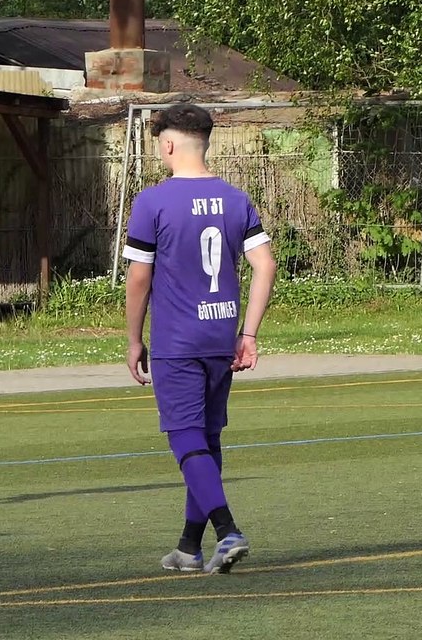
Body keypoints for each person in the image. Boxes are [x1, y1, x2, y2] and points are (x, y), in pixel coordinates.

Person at [122, 103, 277, 574]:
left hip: (178, 340)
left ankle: (228, 530)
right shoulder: (235, 198)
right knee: (206, 439)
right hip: (221, 333)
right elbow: (266, 265)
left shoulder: (152, 202)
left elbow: (139, 278)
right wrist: (248, 333)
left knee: (186, 438)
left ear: (168, 144)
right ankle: (189, 547)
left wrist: (133, 339)